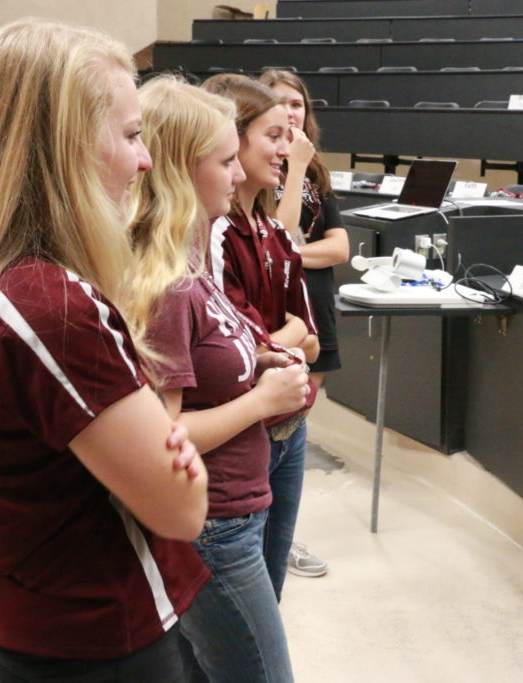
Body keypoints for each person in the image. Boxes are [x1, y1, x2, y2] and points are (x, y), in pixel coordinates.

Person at [0, 19, 211, 681]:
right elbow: (182, 509)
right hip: (92, 650)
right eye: (130, 135)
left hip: (26, 625)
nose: (146, 160)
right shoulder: (53, 307)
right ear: (66, 147)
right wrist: (183, 459)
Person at [129, 74, 310, 682]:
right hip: (212, 529)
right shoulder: (167, 282)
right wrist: (262, 400)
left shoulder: (191, 258)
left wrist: (254, 362)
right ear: (184, 169)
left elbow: (206, 359)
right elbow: (165, 434)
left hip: (232, 516)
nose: (238, 175)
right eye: (226, 160)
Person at [201, 73, 321, 600]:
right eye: (274, 136)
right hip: (246, 436)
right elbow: (248, 352)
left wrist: (285, 340)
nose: (287, 148)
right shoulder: (213, 233)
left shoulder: (272, 229)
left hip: (291, 428)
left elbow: (310, 336)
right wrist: (286, 340)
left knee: (270, 590)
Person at [260, 69, 349, 579]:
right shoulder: (279, 169)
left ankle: (281, 531)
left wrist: (293, 254)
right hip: (282, 314)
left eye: (297, 104)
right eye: (278, 104)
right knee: (274, 429)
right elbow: (279, 234)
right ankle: (271, 532)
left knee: (296, 423)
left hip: (316, 306)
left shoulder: (314, 168)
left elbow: (339, 246)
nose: (291, 113)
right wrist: (291, 250)